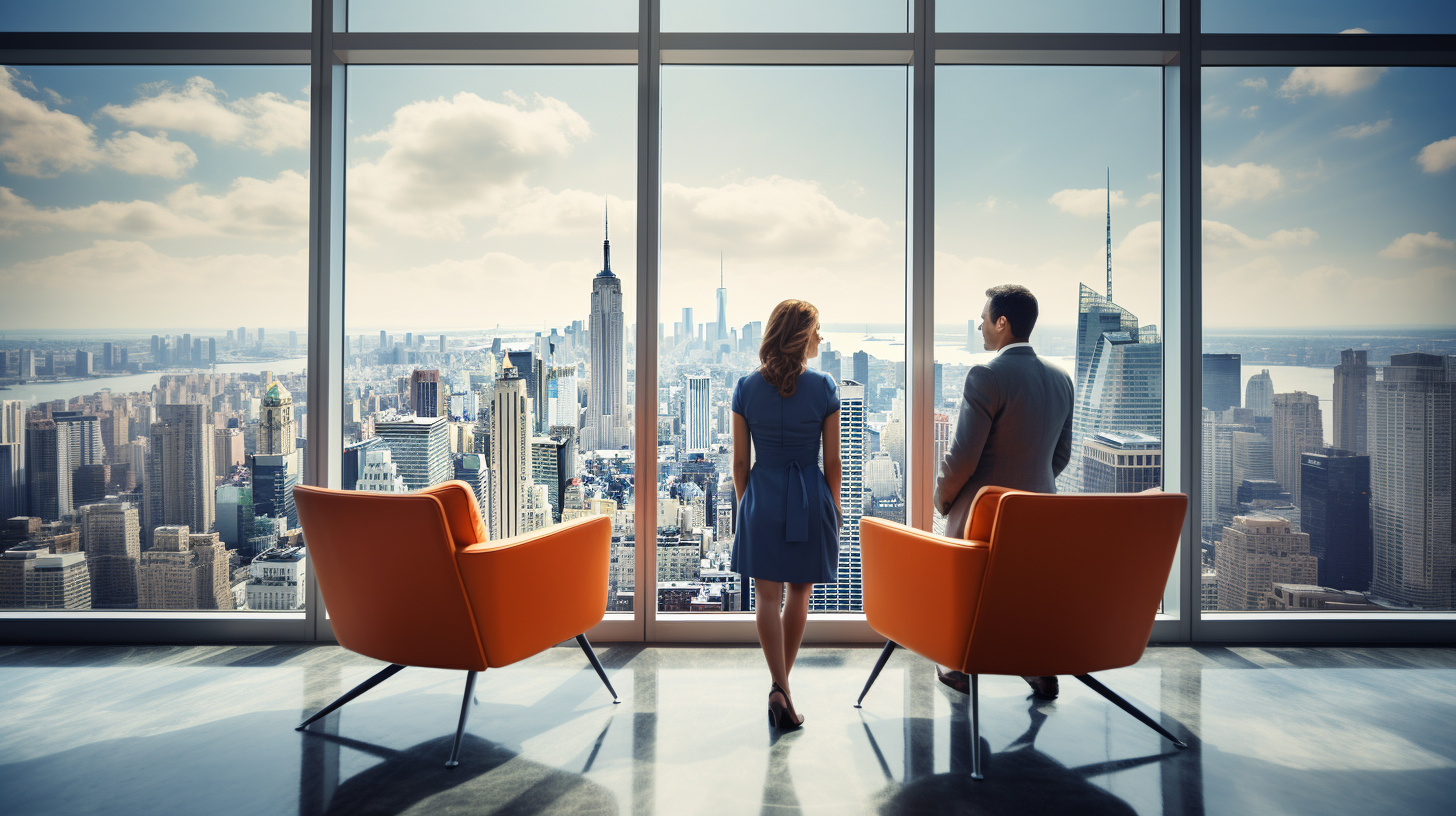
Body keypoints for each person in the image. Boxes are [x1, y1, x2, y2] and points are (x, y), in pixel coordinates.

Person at [934, 284, 1074, 700]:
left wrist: (943, 499)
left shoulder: (987, 375)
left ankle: (960, 663)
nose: (979, 325)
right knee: (1024, 586)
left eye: (984, 317)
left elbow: (962, 458)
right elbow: (1060, 456)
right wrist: (1032, 487)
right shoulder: (1061, 378)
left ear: (1002, 322)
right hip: (1039, 515)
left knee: (961, 576)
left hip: (986, 516)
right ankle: (1038, 665)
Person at [731, 299, 842, 731]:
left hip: (762, 497)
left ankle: (780, 688)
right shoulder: (824, 387)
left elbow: (740, 464)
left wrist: (748, 504)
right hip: (807, 498)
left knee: (765, 597)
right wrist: (830, 505)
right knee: (799, 594)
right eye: (816, 330)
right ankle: (782, 689)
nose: (820, 338)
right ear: (799, 335)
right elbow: (832, 463)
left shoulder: (744, 387)